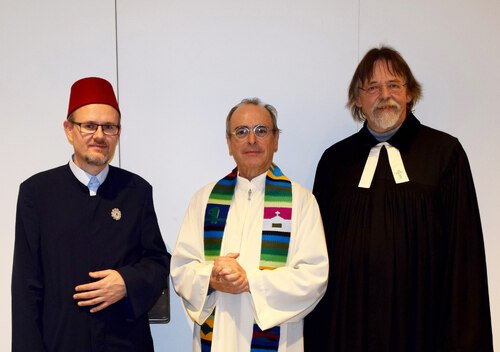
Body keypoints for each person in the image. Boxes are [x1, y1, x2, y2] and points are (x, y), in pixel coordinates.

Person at [304, 46, 493, 351]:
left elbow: (464, 255)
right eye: (373, 87)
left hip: (423, 327)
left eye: (394, 85)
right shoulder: (334, 163)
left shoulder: (444, 154)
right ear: (357, 99)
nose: (385, 94)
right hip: (349, 328)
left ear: (409, 94)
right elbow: (315, 257)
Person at [12, 77, 171, 352]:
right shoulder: (36, 194)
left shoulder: (137, 191)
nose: (99, 136)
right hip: (60, 342)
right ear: (69, 130)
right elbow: (26, 289)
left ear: (118, 133)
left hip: (126, 343)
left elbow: (158, 262)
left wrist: (127, 282)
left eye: (109, 127)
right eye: (89, 126)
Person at [171, 98, 328, 352]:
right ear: (229, 142)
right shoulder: (205, 200)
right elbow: (181, 269)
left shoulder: (301, 201)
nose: (251, 140)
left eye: (261, 131)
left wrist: (250, 282)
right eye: (241, 132)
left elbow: (314, 276)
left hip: (278, 343)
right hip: (218, 336)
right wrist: (210, 278)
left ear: (276, 140)